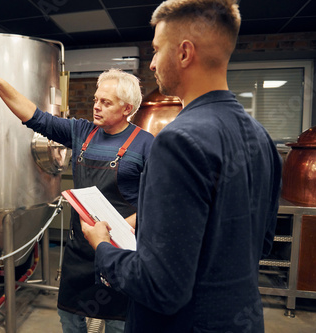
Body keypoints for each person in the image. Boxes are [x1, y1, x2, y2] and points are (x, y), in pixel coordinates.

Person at [81, 1, 283, 332]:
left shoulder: (177, 141)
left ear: (185, 53)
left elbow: (160, 288)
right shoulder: (261, 137)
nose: (152, 65)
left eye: (157, 50)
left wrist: (102, 246)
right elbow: (260, 244)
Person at [0, 68, 154, 333]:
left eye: (106, 102)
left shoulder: (147, 145)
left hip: (120, 254)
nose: (97, 107)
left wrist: (127, 225)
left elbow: (158, 202)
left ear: (127, 108)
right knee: (71, 321)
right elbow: (35, 117)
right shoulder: (82, 132)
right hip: (79, 254)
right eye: (95, 100)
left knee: (118, 325)